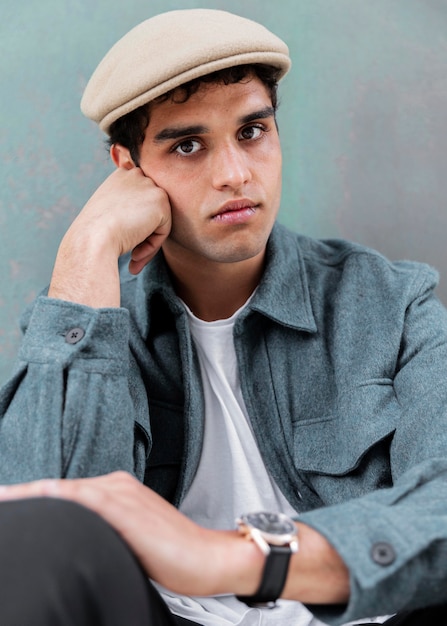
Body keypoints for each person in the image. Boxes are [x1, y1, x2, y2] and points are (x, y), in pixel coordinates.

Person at [0, 8, 446, 626]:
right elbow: (33, 531)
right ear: (129, 170)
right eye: (188, 145)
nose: (235, 174)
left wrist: (229, 558)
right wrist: (88, 247)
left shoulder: (388, 302)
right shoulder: (94, 322)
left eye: (252, 132)